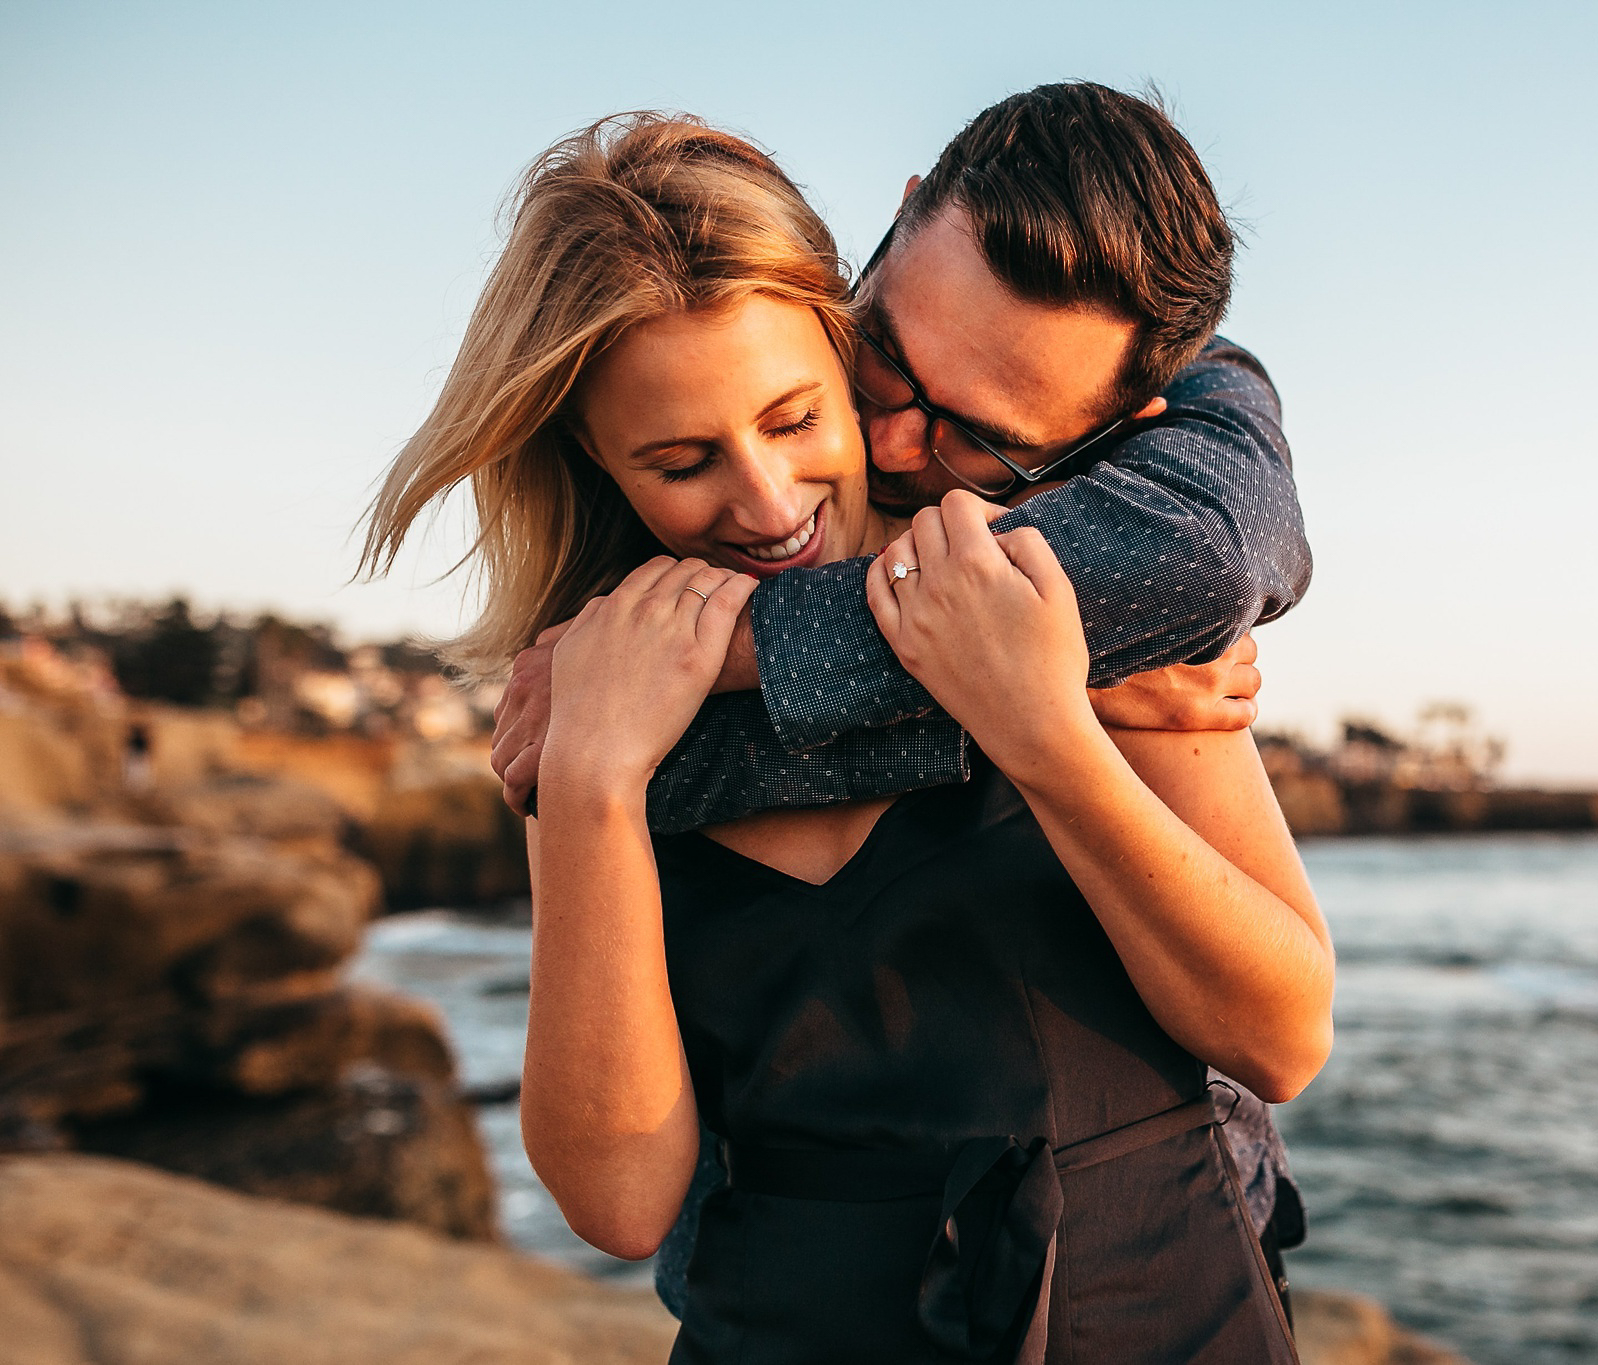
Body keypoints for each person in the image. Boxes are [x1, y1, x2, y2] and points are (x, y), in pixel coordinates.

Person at [364, 112, 1332, 1363]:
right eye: (678, 460)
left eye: (795, 419)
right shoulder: (592, 699)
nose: (769, 506)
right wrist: (596, 786)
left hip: (1149, 1310)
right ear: (596, 464)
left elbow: (1280, 1035)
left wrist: (1043, 729)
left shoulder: (1042, 582)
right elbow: (614, 1201)